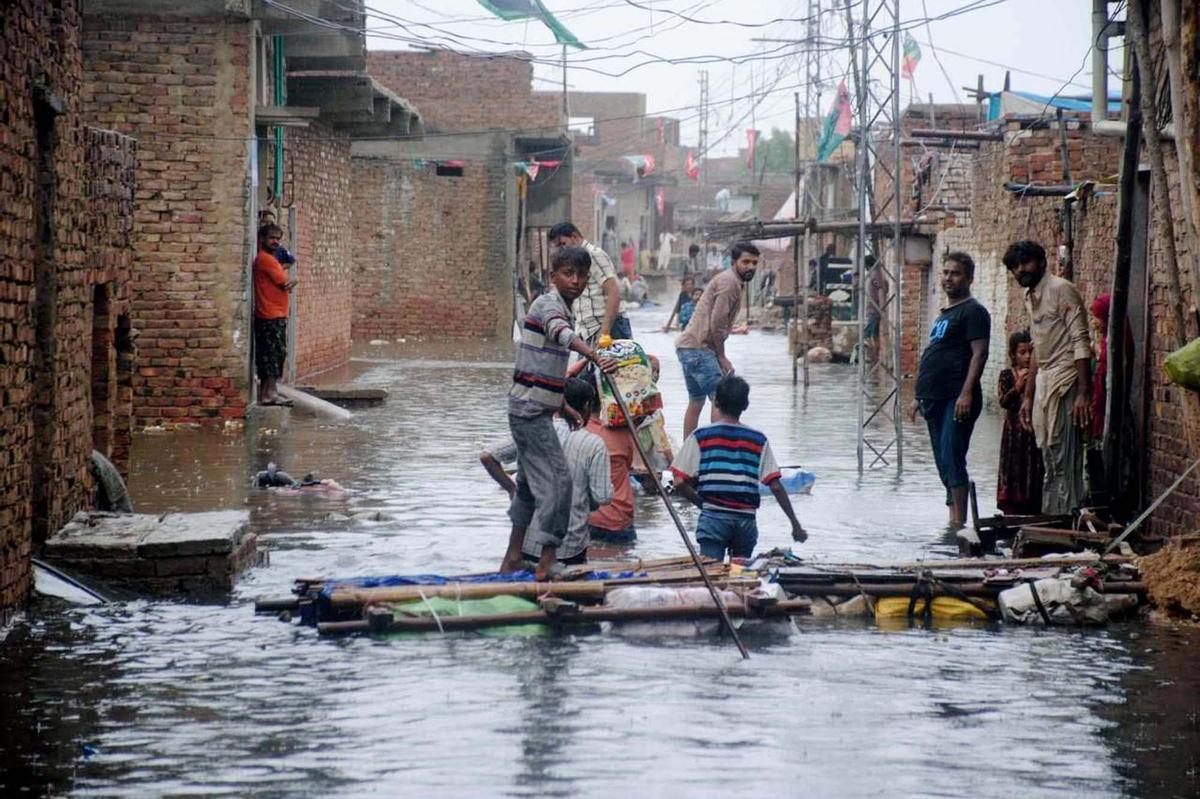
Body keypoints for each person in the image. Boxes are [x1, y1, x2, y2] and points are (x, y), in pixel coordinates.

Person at [503, 245, 616, 577]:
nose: (576, 281)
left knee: (526, 486)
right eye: (568, 274)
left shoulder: (564, 308)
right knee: (560, 481)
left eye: (581, 275)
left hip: (532, 406)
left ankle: (512, 556)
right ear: (553, 276)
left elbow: (544, 366)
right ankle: (548, 561)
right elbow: (561, 335)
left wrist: (563, 405)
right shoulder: (548, 305)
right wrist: (594, 355)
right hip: (529, 411)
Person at [670, 376, 807, 560]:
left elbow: (679, 482)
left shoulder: (700, 436)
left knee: (712, 572)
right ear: (745, 404)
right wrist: (795, 524)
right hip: (745, 520)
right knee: (741, 577)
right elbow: (775, 486)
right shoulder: (758, 439)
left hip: (713, 518)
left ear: (716, 403)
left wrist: (702, 504)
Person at [481, 378, 613, 567]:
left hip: (527, 541)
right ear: (587, 406)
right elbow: (603, 497)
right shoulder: (594, 444)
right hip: (569, 546)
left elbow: (488, 456)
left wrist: (512, 489)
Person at [1003, 240, 1093, 515]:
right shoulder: (1030, 296)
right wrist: (1028, 397)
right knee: (1050, 459)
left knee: (1067, 458)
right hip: (1044, 382)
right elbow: (1037, 352)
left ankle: (1071, 520)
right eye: (1015, 267)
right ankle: (1053, 520)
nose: (1021, 270)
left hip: (1066, 380)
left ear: (1041, 262)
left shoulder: (1061, 289)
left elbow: (1081, 341)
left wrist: (1083, 393)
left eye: (1026, 263)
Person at [906, 251, 990, 529]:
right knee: (943, 461)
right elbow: (935, 353)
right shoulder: (945, 314)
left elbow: (979, 354)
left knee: (952, 457)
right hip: (933, 398)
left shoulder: (974, 311)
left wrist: (966, 392)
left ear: (968, 278)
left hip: (956, 397)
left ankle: (960, 525)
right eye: (945, 273)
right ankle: (952, 521)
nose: (948, 278)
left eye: (955, 273)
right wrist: (919, 397)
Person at [675, 241, 759, 439]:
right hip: (699, 348)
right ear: (734, 262)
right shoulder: (729, 283)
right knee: (720, 400)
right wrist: (721, 356)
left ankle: (689, 454)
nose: (751, 267)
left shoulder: (731, 281)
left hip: (688, 347)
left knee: (696, 401)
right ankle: (718, 448)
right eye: (746, 262)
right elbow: (717, 322)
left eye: (754, 263)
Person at [547, 222, 630, 344]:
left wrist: (604, 334)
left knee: (616, 362)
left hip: (607, 327)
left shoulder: (593, 255)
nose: (561, 249)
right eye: (558, 247)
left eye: (563, 244)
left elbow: (614, 292)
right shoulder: (575, 260)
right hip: (589, 330)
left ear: (574, 237)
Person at [997, 330, 1044, 515]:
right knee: (1013, 469)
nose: (1026, 357)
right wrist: (1017, 387)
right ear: (1013, 355)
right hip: (1012, 436)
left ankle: (1031, 507)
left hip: (1032, 431)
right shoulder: (1007, 375)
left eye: (1030, 352)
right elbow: (1003, 401)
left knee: (1032, 467)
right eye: (1022, 353)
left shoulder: (1038, 376)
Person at [253, 224, 296, 406]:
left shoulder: (267, 259)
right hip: (271, 315)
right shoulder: (266, 260)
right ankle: (269, 394)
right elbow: (284, 283)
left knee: (272, 355)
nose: (275, 241)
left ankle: (268, 393)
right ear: (262, 239)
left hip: (271, 314)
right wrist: (294, 280)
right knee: (273, 356)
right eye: (272, 238)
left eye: (278, 238)